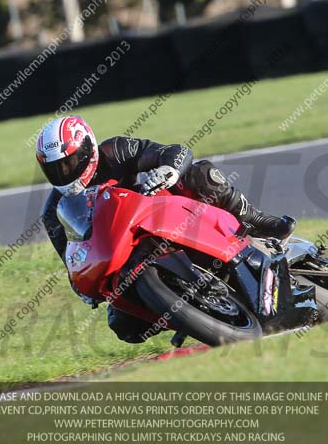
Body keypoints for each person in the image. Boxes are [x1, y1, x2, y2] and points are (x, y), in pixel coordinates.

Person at [37, 116, 294, 343]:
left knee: (200, 176)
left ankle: (255, 219)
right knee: (124, 325)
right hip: (122, 248)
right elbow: (72, 256)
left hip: (157, 209)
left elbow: (174, 152)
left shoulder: (115, 151)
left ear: (87, 150)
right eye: (55, 169)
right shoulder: (54, 211)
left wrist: (168, 170)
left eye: (69, 163)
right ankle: (190, 314)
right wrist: (85, 286)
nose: (64, 173)